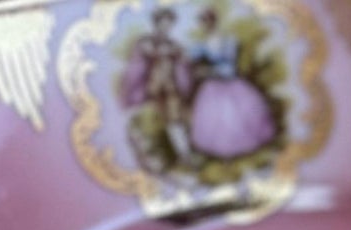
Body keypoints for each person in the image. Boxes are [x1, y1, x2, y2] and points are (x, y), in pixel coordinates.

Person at [185, 6, 280, 162]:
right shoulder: (201, 45)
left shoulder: (228, 41)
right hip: (213, 86)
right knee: (213, 116)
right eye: (203, 22)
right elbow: (192, 62)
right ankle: (221, 152)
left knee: (234, 113)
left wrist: (209, 71)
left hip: (229, 82)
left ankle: (241, 148)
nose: (206, 25)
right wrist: (200, 71)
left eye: (208, 21)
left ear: (214, 22)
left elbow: (230, 68)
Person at [118, 7, 194, 168]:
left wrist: (181, 65)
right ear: (156, 24)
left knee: (175, 121)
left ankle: (184, 155)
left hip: (170, 90)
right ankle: (145, 157)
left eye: (169, 24)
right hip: (149, 91)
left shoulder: (174, 45)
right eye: (162, 23)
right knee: (145, 122)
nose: (166, 27)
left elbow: (183, 64)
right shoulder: (146, 42)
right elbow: (137, 66)